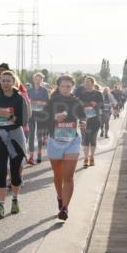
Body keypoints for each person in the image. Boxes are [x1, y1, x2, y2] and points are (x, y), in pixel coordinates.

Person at [45, 75, 86, 221]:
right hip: (55, 141)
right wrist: (54, 118)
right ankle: (60, 196)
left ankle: (64, 208)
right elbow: (43, 120)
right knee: (58, 176)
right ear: (59, 86)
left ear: (72, 87)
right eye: (63, 86)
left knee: (68, 176)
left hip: (72, 141)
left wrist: (83, 123)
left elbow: (83, 117)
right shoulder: (52, 101)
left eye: (69, 86)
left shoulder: (76, 101)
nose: (66, 88)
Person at [0, 70, 27, 220]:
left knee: (15, 171)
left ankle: (15, 200)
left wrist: (8, 115)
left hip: (16, 137)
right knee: (1, 171)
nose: (5, 83)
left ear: (13, 82)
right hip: (1, 136)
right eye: (3, 80)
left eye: (8, 81)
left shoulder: (19, 99)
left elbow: (22, 121)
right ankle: (0, 205)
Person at [76, 75, 102, 168]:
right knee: (86, 139)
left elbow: (102, 105)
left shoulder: (98, 94)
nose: (86, 84)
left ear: (93, 83)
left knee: (93, 139)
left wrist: (96, 105)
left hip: (95, 119)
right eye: (85, 82)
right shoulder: (81, 94)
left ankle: (92, 157)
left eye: (88, 82)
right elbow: (78, 107)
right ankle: (86, 158)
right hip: (84, 120)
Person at [27, 72, 49, 164]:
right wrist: (33, 103)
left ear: (42, 80)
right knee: (31, 135)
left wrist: (38, 102)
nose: (38, 81)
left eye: (40, 79)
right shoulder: (29, 90)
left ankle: (39, 153)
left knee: (39, 134)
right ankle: (31, 156)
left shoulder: (44, 90)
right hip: (31, 114)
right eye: (36, 79)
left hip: (41, 114)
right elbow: (27, 102)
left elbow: (46, 103)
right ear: (33, 80)